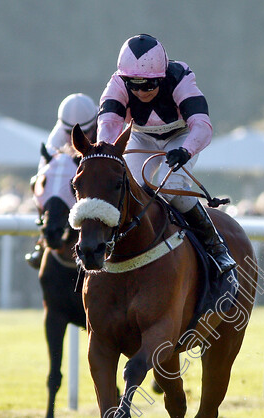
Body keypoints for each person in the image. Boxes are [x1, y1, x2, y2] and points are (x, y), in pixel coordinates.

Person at [96, 33, 235, 275]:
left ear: (162, 77)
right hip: (141, 137)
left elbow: (202, 125)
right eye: (134, 84)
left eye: (149, 84)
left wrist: (185, 150)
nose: (141, 91)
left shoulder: (179, 78)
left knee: (169, 185)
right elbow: (107, 128)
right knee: (129, 190)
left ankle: (216, 247)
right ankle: (111, 247)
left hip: (179, 137)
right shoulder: (116, 84)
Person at [26, 93, 99, 268]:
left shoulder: (107, 125)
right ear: (62, 126)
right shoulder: (57, 136)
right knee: (38, 182)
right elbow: (44, 172)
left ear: (95, 123)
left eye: (85, 132)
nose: (75, 137)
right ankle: (42, 239)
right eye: (69, 132)